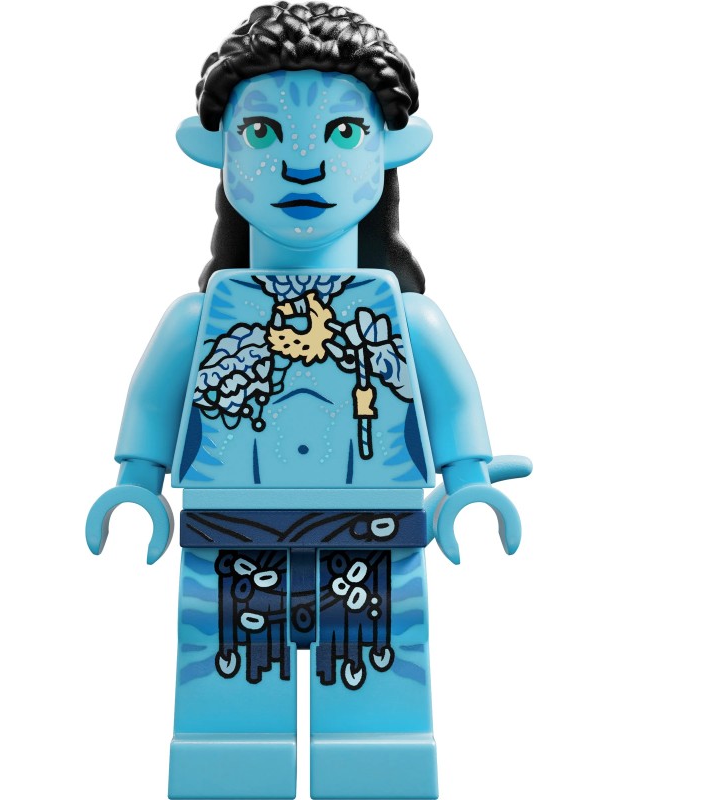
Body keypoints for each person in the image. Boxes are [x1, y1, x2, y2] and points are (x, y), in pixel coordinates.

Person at [86, 4, 530, 798]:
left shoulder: (405, 317)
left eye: (342, 133)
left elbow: (452, 402)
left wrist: (468, 483)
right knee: (228, 713)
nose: (301, 164)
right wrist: (136, 484)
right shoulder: (201, 317)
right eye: (262, 133)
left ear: (391, 149)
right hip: (230, 546)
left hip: (376, 540)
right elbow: (154, 404)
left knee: (376, 714)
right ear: (215, 149)